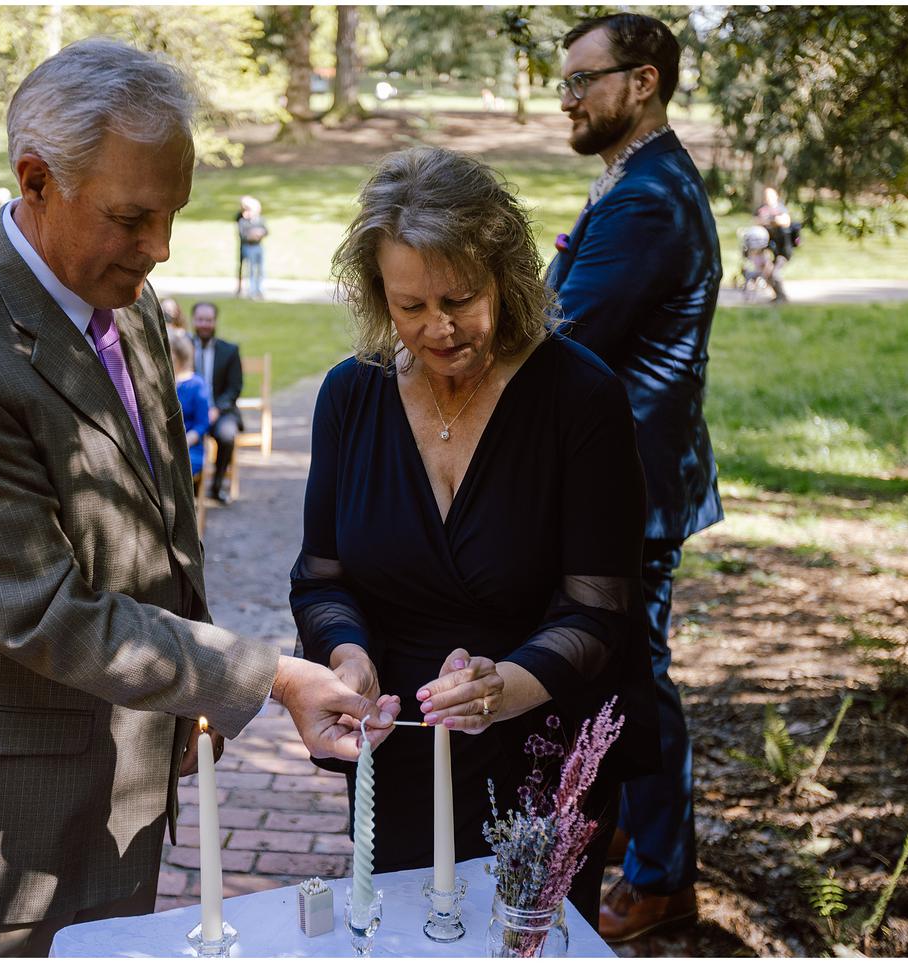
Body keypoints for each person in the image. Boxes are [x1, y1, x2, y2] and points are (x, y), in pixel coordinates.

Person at [0, 38, 396, 957]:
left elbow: (161, 521)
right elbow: (46, 612)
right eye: (133, 216)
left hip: (122, 799)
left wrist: (189, 696)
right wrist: (263, 675)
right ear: (36, 181)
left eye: (174, 214)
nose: (160, 247)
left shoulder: (130, 302)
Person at [290, 146, 659, 927]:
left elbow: (599, 608)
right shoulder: (350, 396)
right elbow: (321, 578)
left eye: (459, 299)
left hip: (542, 749)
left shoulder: (580, 397)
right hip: (401, 745)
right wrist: (348, 657)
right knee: (399, 935)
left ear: (506, 277)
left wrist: (504, 688)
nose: (439, 328)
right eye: (411, 305)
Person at [547, 13, 724, 940]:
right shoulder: (639, 179)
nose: (568, 99)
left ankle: (660, 876)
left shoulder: (650, 197)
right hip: (635, 477)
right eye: (565, 81)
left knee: (636, 679)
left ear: (643, 81)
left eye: (583, 80)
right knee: (623, 670)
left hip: (634, 487)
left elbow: (563, 336)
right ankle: (622, 829)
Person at [191, 301, 243, 504]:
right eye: (200, 320)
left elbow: (234, 388)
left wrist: (216, 409)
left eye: (209, 320)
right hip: (190, 412)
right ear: (193, 320)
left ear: (215, 321)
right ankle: (191, 486)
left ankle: (217, 485)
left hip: (220, 411)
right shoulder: (183, 348)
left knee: (227, 434)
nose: (205, 324)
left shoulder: (229, 351)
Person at [170, 327, 211, 492]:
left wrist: (181, 443)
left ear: (179, 355)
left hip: (189, 447)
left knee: (171, 470)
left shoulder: (196, 384)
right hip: (162, 446)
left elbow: (202, 424)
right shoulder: (162, 384)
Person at [237, 195, 267, 300]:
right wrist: (252, 234)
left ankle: (260, 290)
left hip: (258, 246)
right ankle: (252, 290)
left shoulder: (260, 220)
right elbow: (243, 235)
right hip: (249, 247)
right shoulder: (243, 221)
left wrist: (260, 233)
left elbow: (265, 231)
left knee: (261, 269)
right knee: (251, 269)